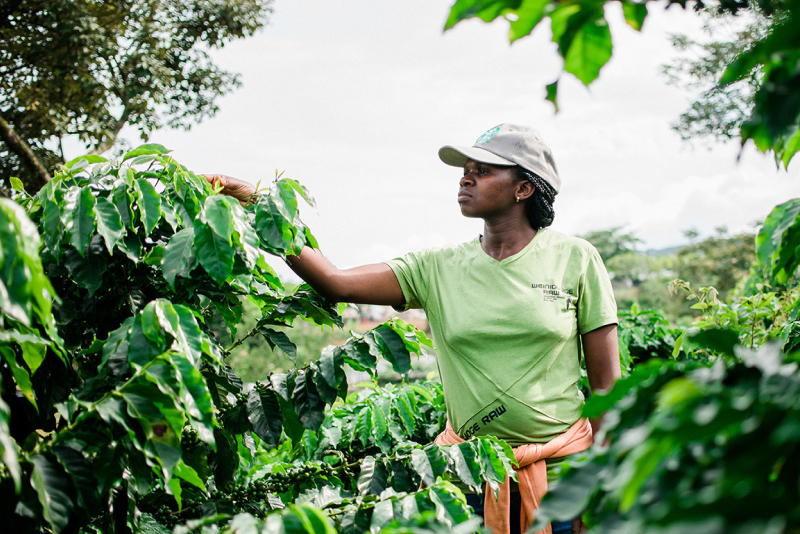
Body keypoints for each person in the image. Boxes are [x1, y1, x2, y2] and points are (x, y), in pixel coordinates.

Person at [206, 123, 620, 534]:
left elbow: (606, 386)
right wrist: (258, 204)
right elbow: (335, 281)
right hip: (468, 476)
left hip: (563, 479)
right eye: (465, 169)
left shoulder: (576, 259)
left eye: (484, 170)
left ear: (524, 188)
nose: (466, 177)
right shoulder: (436, 268)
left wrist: (600, 485)